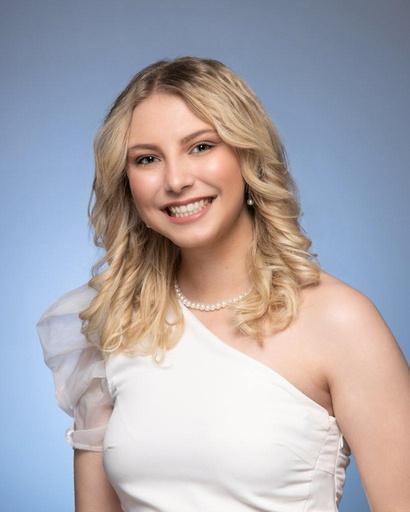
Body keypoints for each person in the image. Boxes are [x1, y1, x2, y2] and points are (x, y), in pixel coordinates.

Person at [37, 56, 410, 512]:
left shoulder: (340, 322)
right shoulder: (113, 324)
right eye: (147, 159)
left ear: (247, 155)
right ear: (127, 183)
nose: (177, 180)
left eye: (201, 146)